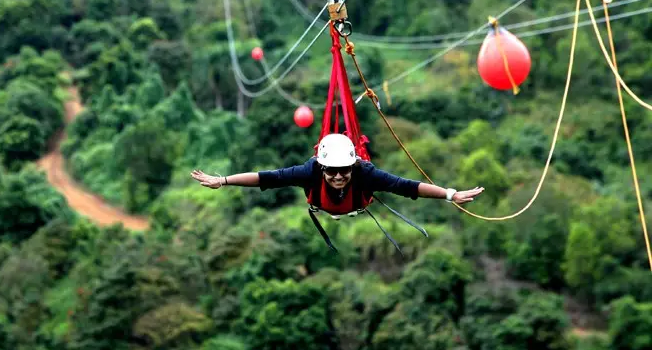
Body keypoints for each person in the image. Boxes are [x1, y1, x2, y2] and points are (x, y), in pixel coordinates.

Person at [190, 133, 484, 215]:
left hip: (357, 204)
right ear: (323, 168)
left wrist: (449, 194)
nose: (339, 177)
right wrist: (224, 181)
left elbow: (406, 186)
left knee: (388, 184)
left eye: (344, 171)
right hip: (323, 205)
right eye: (332, 172)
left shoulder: (365, 174)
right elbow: (268, 178)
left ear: (353, 166)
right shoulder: (310, 172)